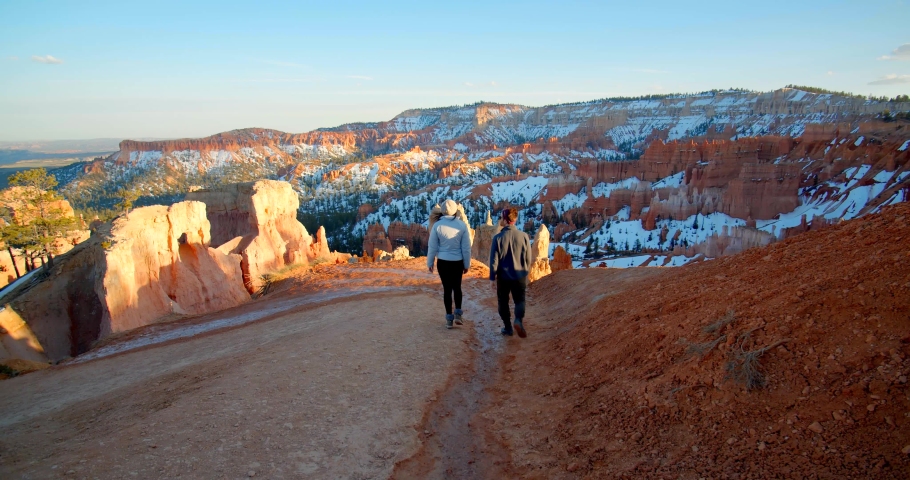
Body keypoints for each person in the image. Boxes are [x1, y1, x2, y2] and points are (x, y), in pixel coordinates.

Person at [427, 199, 472, 329]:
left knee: (447, 290)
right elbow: (466, 248)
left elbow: (432, 246)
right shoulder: (461, 225)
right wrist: (467, 264)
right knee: (457, 287)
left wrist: (430, 262)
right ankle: (458, 313)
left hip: (443, 262)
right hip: (457, 262)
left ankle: (448, 319)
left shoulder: (437, 226)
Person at [489, 208, 531, 338]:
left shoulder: (498, 238)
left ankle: (508, 328)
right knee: (520, 300)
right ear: (515, 219)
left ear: (505, 219)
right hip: (520, 275)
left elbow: (493, 260)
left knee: (503, 302)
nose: (500, 220)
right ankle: (518, 320)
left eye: (501, 218)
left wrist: (492, 278)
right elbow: (528, 258)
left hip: (503, 277)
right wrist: (525, 272)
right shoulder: (524, 236)